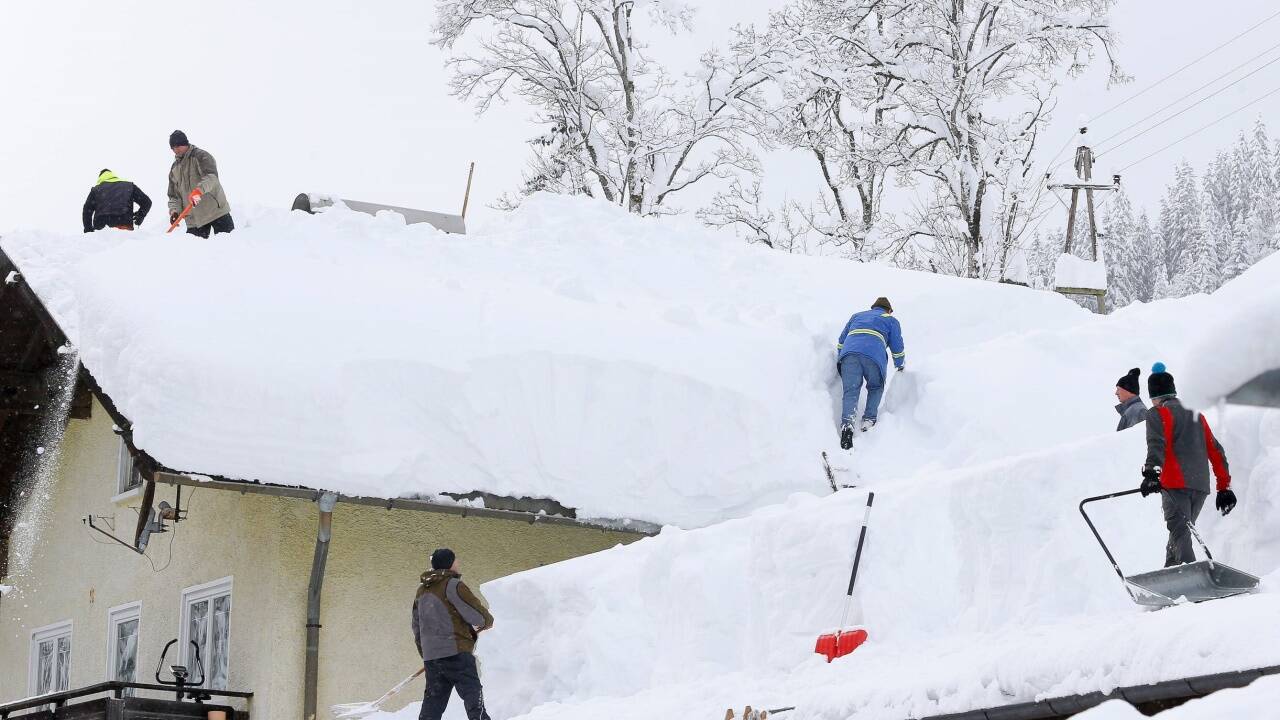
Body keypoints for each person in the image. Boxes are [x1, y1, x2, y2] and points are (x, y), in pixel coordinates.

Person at [1139, 363, 1237, 567]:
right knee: (1181, 530)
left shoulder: (1157, 413)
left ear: (1156, 397)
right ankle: (1171, 573)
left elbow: (1156, 443)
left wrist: (1151, 474)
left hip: (1174, 484)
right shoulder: (1196, 416)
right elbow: (1216, 452)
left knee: (1179, 529)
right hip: (1199, 487)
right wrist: (1224, 487)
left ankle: (1192, 575)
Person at [411, 548, 494, 720]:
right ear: (449, 563)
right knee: (473, 696)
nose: (458, 563)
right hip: (456, 653)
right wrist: (487, 620)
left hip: (433, 658)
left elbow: (416, 626)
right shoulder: (453, 585)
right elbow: (474, 613)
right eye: (456, 560)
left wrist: (427, 654)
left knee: (433, 706)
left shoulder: (422, 591)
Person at [836, 296, 905, 448]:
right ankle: (868, 420)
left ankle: (847, 427)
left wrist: (841, 356)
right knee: (875, 387)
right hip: (874, 356)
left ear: (873, 307)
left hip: (849, 354)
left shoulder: (857, 316)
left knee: (851, 391)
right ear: (888, 310)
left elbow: (841, 340)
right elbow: (897, 345)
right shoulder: (890, 320)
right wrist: (900, 364)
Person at [166, 130, 234, 238]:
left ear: (185, 143)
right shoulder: (174, 169)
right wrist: (175, 211)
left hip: (215, 212)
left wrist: (198, 191)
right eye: (173, 147)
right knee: (194, 253)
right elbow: (173, 196)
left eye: (178, 146)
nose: (176, 150)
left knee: (230, 248)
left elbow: (212, 178)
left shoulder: (201, 156)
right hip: (194, 220)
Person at [82, 169, 151, 232]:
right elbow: (147, 202)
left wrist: (88, 230)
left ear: (100, 178)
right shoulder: (128, 186)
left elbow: (87, 211)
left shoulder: (96, 190)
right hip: (124, 227)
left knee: (102, 245)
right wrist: (140, 216)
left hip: (101, 230)